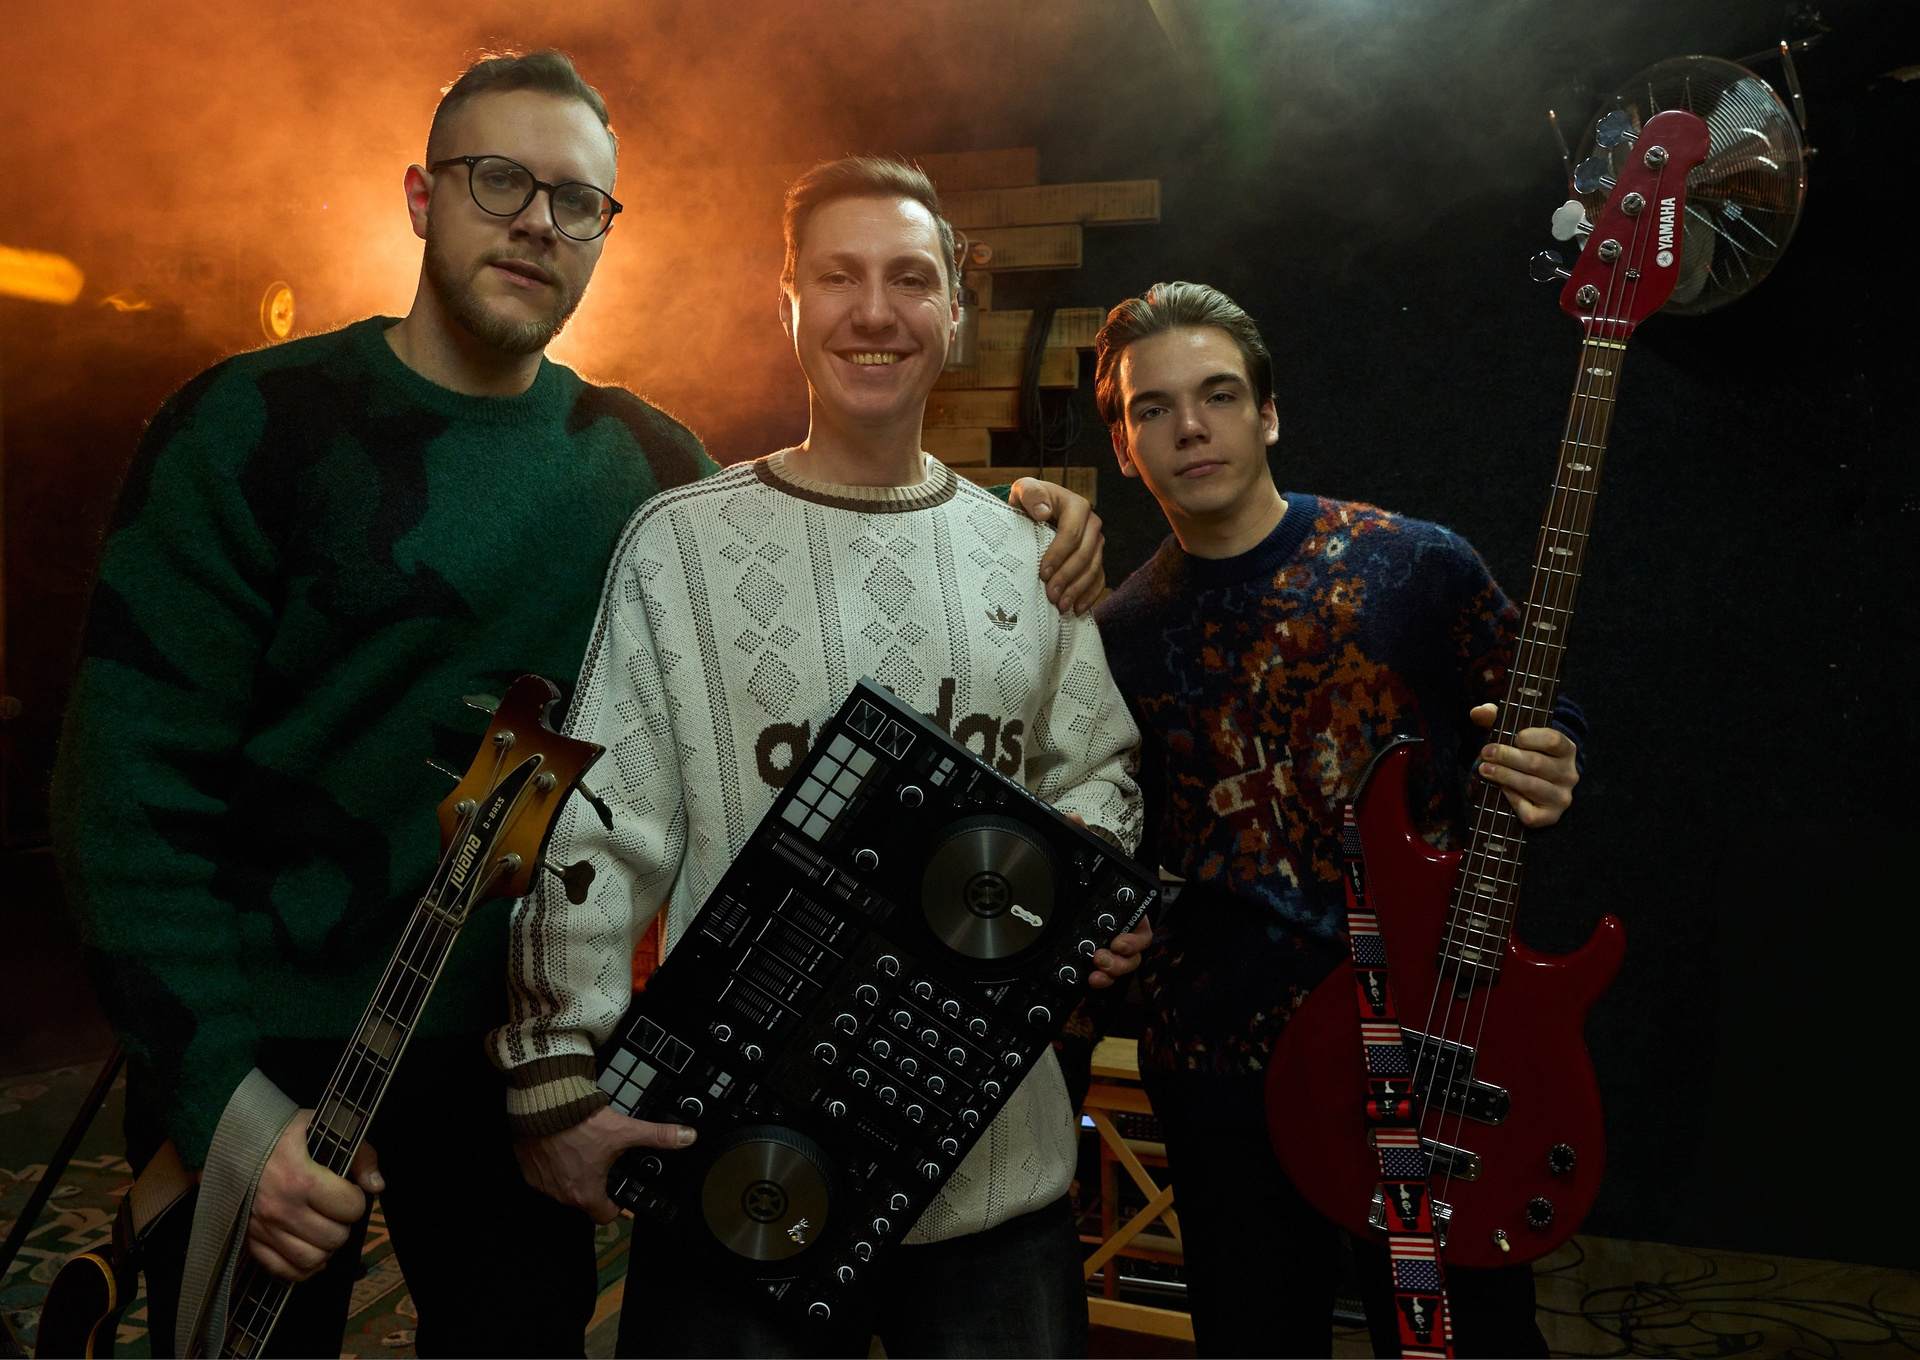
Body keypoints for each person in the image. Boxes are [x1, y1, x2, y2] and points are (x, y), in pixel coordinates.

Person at [51, 52, 1105, 1357]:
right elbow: (125, 798)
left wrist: (1019, 532)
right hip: (267, 1047)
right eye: (499, 180)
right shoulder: (250, 425)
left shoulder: (647, 468)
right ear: (422, 197)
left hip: (511, 1063)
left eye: (577, 201)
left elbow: (817, 576)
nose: (537, 223)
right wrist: (219, 1098)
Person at [493, 156, 1150, 1359]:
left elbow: (1095, 767)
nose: (875, 311)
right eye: (839, 277)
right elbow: (601, 823)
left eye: (910, 278)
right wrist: (553, 1068)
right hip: (738, 1174)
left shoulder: (1029, 554)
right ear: (788, 303)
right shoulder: (681, 547)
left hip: (996, 1186)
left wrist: (1085, 879)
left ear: (956, 310)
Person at [1090, 282, 1586, 1358]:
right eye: (1153, 409)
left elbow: (1540, 708)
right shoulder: (1116, 635)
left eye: (1220, 394)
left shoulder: (1416, 565)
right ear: (1126, 448)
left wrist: (1552, 760)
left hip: (1425, 1043)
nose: (1190, 427)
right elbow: (1118, 829)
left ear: (1269, 413)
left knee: (1467, 1345)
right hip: (1223, 1069)